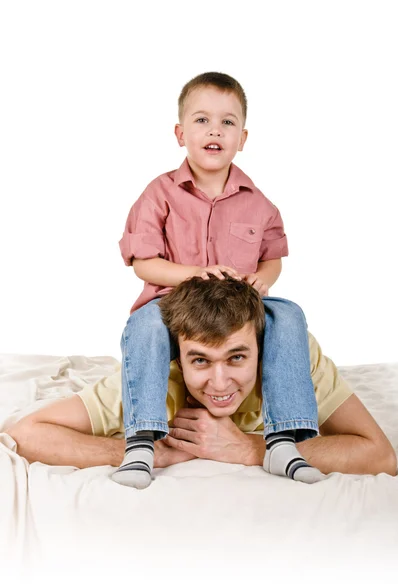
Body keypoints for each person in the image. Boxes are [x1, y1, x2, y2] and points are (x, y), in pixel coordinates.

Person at [114, 71, 323, 488]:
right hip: (174, 306)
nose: (215, 130)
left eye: (227, 122)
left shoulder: (258, 202)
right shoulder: (159, 193)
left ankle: (283, 439)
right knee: (143, 325)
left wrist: (263, 281)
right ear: (180, 132)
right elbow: (143, 263)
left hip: (235, 311)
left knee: (289, 314)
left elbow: (273, 257)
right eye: (202, 120)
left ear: (242, 138)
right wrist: (192, 273)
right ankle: (141, 442)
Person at [6, 275, 397, 479]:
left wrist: (248, 449)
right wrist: (144, 453)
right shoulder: (157, 377)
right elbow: (28, 433)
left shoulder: (292, 356)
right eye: (201, 362)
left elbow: (380, 454)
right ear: (179, 357)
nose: (221, 382)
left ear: (263, 349)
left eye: (237, 357)